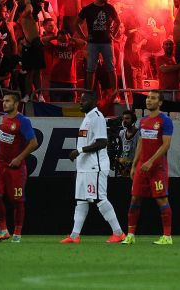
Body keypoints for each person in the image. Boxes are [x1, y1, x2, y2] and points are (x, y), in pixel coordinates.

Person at [61, 91, 126, 244]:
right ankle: (74, 235)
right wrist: (79, 166)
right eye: (80, 100)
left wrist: (79, 151)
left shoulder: (97, 117)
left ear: (93, 101)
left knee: (100, 199)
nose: (80, 103)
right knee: (82, 201)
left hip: (95, 166)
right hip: (85, 167)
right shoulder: (87, 119)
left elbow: (102, 142)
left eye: (83, 100)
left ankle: (118, 233)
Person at [0, 92, 38, 242]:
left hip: (16, 168)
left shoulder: (23, 121)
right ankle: (3, 230)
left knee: (17, 200)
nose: (4, 103)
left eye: (8, 101)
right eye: (3, 101)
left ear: (16, 103)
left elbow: (34, 143)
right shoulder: (3, 120)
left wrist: (19, 158)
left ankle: (18, 233)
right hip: (0, 165)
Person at [122, 90, 174, 246]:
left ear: (160, 102)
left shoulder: (165, 121)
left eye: (153, 98)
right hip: (141, 167)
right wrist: (134, 164)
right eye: (148, 98)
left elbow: (166, 145)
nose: (149, 100)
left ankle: (167, 236)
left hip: (157, 168)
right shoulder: (143, 121)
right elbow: (141, 143)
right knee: (135, 198)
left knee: (161, 199)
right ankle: (130, 235)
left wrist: (151, 161)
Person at [78, 0, 121, 104]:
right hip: (93, 43)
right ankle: (89, 95)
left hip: (107, 42)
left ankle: (115, 95)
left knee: (111, 68)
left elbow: (118, 22)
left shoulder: (109, 7)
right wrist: (84, 37)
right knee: (90, 69)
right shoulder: (88, 9)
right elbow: (77, 23)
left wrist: (113, 35)